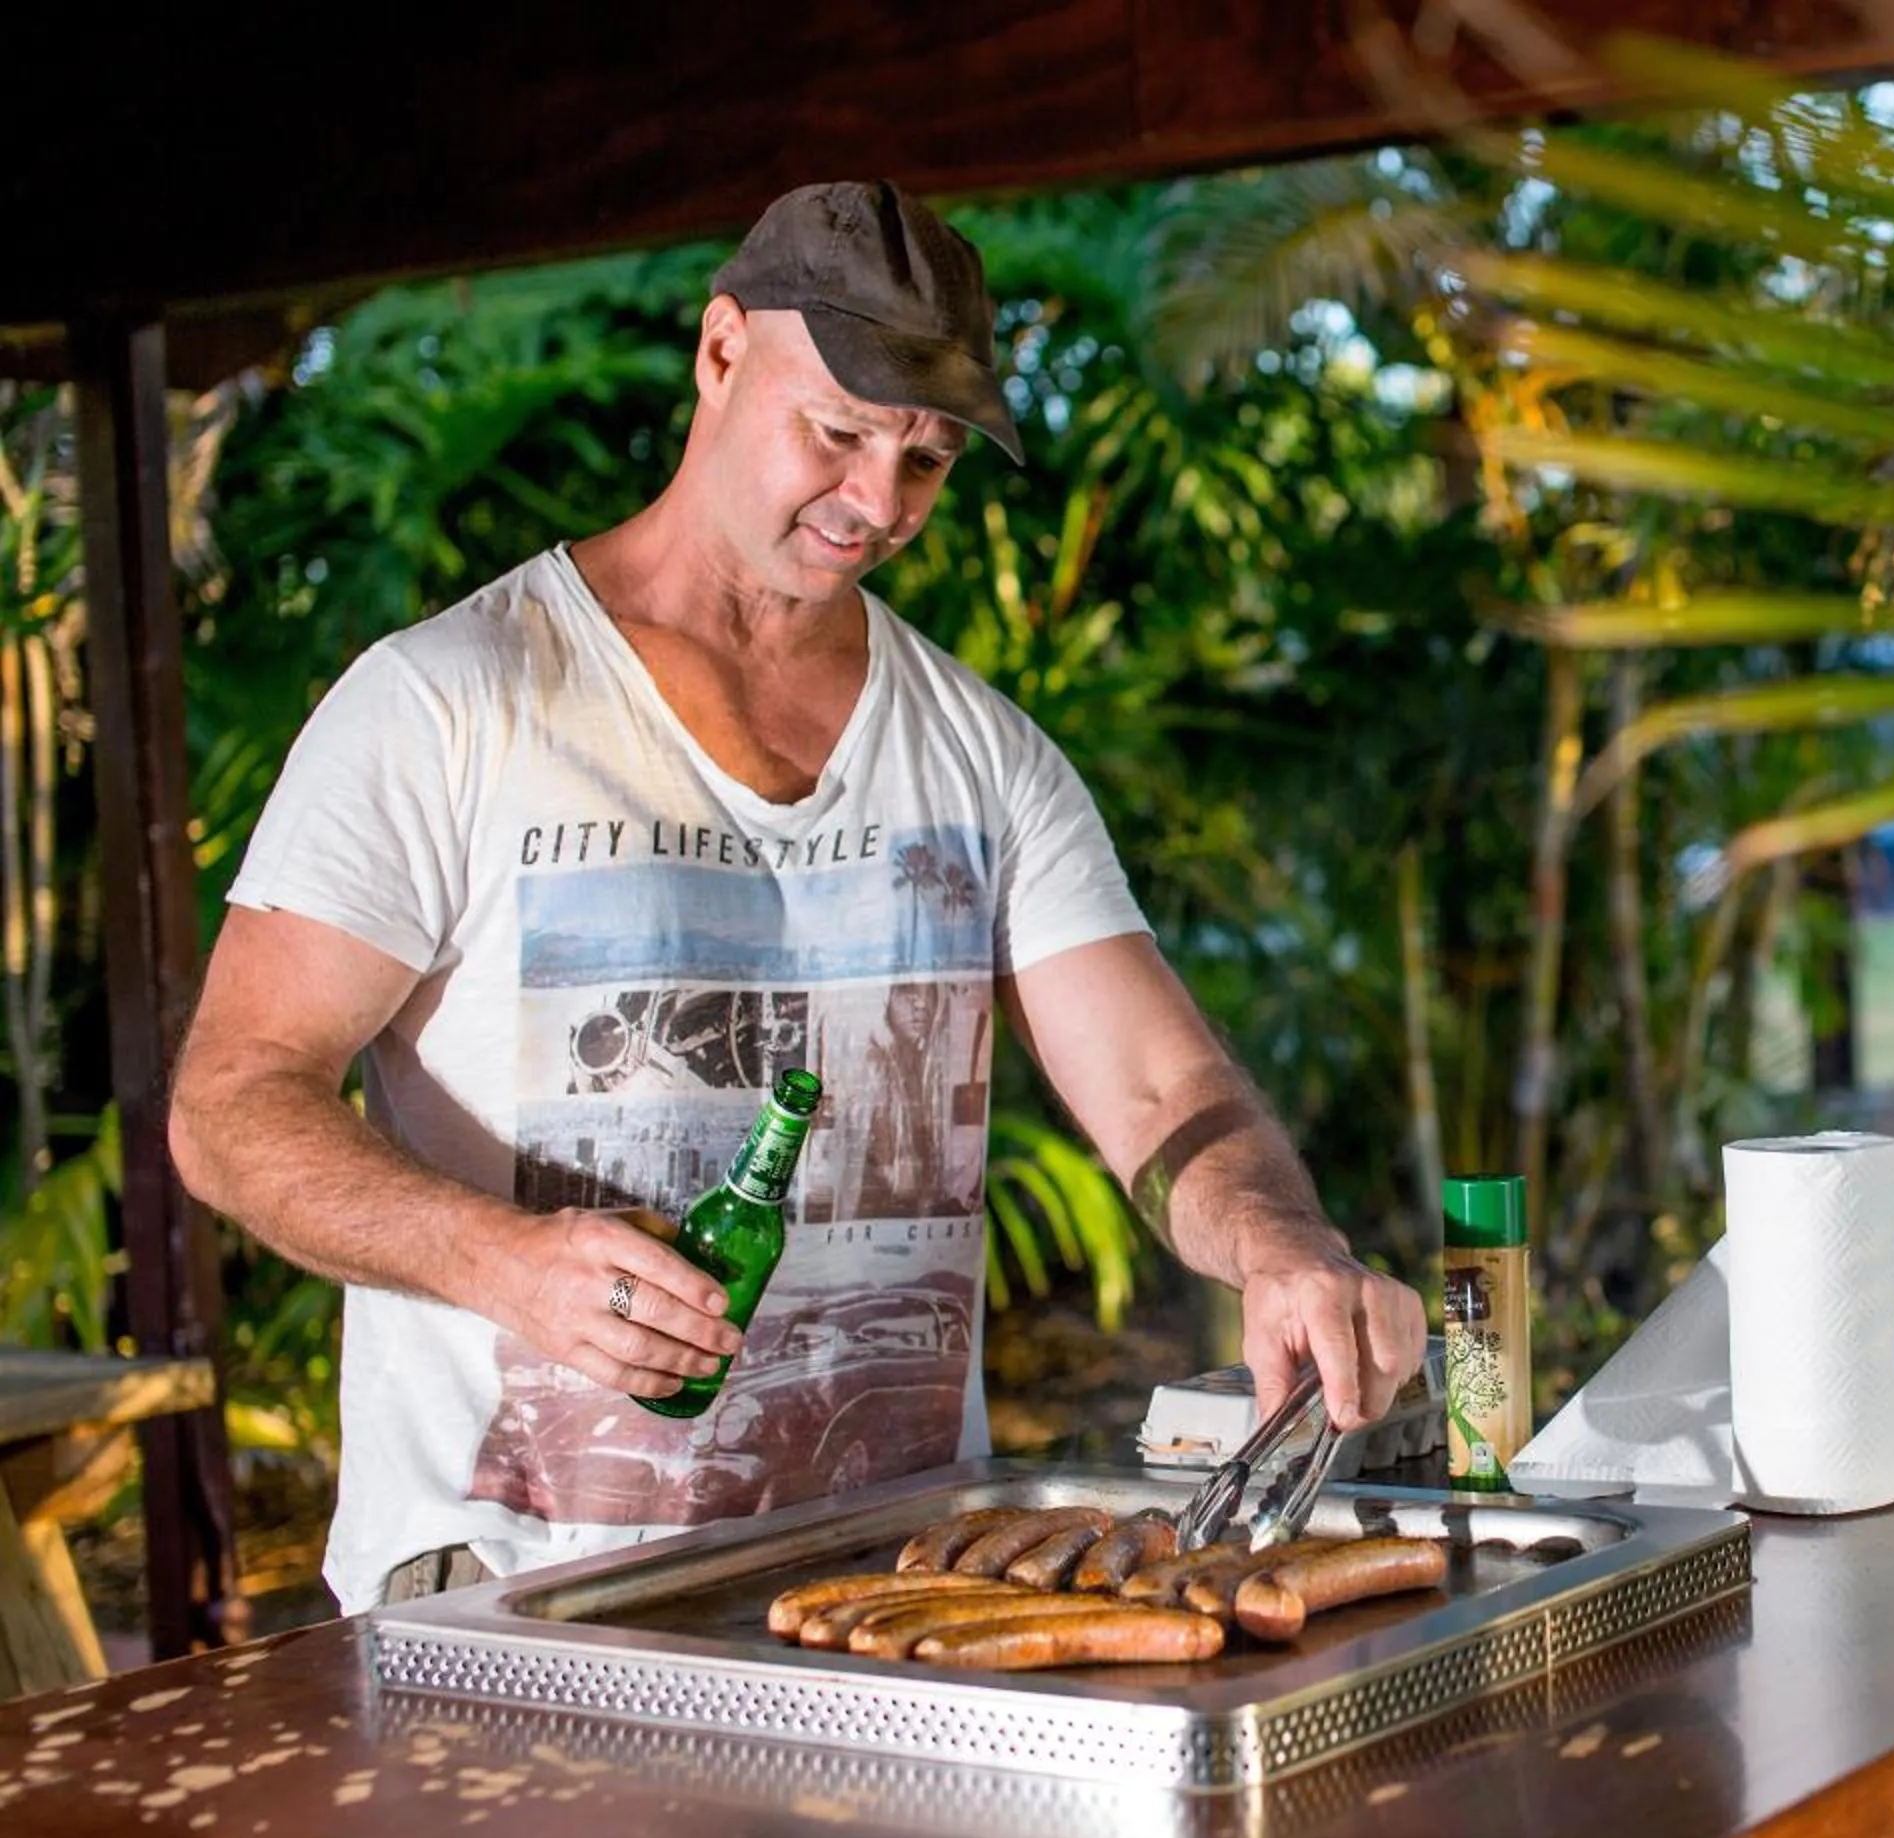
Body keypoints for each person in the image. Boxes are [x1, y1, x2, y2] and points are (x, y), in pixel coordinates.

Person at [166, 180, 1429, 1613]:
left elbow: (1156, 1092)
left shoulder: (982, 756)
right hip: (520, 1584)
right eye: (837, 433)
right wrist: (498, 1260)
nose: (876, 504)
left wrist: (1280, 1245)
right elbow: (231, 1101)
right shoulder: (451, 703)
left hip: (894, 1590)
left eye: (928, 459)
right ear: (719, 353)